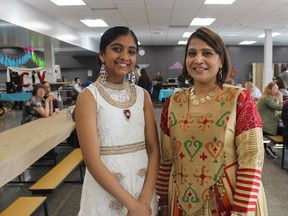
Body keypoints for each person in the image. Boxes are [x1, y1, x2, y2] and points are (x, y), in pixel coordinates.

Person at [156, 27, 267, 216]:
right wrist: (162, 201)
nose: (198, 60)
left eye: (206, 53)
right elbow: (167, 158)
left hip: (230, 200)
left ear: (221, 60)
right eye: (192, 53)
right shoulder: (173, 102)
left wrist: (241, 210)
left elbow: (252, 157)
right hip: (181, 200)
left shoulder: (240, 99)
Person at [75, 26, 159, 216]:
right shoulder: (89, 96)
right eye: (116, 48)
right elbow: (92, 160)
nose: (125, 56)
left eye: (131, 51)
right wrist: (132, 205)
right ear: (102, 55)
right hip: (106, 192)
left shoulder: (142, 95)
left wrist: (144, 200)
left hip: (142, 188)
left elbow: (154, 149)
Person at [257, 82, 283, 158]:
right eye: (275, 88)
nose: (277, 91)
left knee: (283, 130)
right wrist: (280, 98)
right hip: (267, 126)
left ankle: (269, 146)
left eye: (277, 89)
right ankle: (268, 145)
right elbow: (279, 107)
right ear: (269, 89)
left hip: (266, 124)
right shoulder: (267, 99)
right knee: (285, 132)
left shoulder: (267, 98)